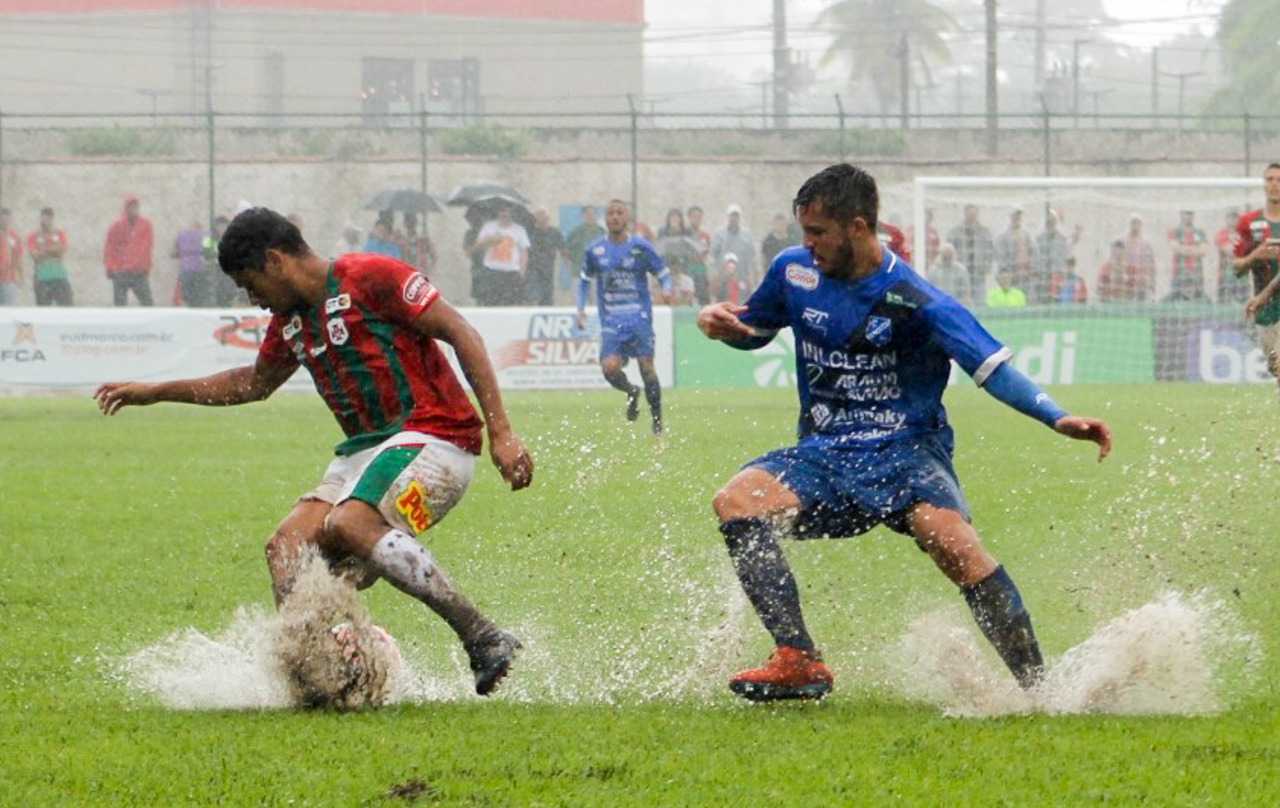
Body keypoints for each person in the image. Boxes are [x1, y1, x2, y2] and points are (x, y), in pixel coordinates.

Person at [696, 163, 1112, 702]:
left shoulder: (919, 300)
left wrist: (1057, 417)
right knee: (735, 501)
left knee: (957, 547)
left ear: (859, 227)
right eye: (805, 233)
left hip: (908, 452)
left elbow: (992, 369)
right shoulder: (793, 270)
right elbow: (753, 327)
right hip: (824, 452)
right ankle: (798, 659)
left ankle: (1041, 689)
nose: (809, 244)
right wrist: (722, 327)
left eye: (819, 233)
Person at [93, 207, 534, 697]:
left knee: (349, 524)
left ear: (275, 261)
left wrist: (503, 432)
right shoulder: (290, 320)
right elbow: (253, 383)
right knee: (286, 547)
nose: (253, 300)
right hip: (364, 454)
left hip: (436, 437)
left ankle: (483, 636)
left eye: (251, 284)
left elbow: (461, 332)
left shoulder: (372, 276)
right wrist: (156, 392)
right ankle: (316, 672)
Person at [577, 198, 673, 435]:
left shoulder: (641, 247)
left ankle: (657, 421)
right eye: (610, 213)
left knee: (646, 366)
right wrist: (580, 308)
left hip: (639, 317)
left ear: (627, 217)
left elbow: (664, 273)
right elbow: (584, 282)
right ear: (605, 218)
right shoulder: (595, 250)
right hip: (611, 319)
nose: (615, 217)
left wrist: (667, 288)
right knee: (609, 368)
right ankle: (631, 391)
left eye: (619, 213)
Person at [1238, 163, 1280, 415]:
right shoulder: (1249, 223)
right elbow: (1237, 268)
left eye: (1279, 179)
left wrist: (1262, 296)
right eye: (1270, 179)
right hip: (1265, 313)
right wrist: (1255, 256)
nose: (1274, 183)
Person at [473, 203, 530, 306]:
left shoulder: (519, 230)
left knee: (511, 303)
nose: (505, 214)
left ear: (512, 214)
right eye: (502, 212)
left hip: (512, 272)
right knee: (491, 302)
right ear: (498, 213)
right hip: (492, 271)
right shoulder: (489, 226)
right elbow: (478, 245)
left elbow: (524, 252)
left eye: (507, 212)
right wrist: (491, 239)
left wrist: (522, 271)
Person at [103, 194, 155, 306]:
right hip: (122, 272)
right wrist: (111, 268)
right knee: (120, 305)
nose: (134, 208)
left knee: (148, 304)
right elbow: (110, 248)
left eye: (135, 205)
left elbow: (146, 248)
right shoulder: (117, 226)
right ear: (126, 208)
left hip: (139, 272)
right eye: (131, 205)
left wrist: (145, 266)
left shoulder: (146, 225)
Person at [947, 204, 995, 305]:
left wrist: (987, 266)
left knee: (980, 300)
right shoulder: (955, 231)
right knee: (960, 299)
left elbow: (990, 250)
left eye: (974, 213)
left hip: (978, 272)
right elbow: (950, 247)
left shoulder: (984, 232)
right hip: (960, 272)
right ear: (965, 213)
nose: (972, 215)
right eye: (970, 213)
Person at [27, 207, 73, 307]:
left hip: (59, 275)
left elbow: (62, 250)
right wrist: (53, 250)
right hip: (42, 276)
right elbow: (35, 255)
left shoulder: (59, 233)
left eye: (49, 218)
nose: (46, 221)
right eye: (44, 218)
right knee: (43, 308)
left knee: (66, 306)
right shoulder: (34, 235)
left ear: (52, 219)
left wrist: (44, 250)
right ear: (41, 219)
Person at [526, 206, 567, 306]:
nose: (541, 218)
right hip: (532, 268)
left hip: (548, 268)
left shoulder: (554, 232)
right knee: (533, 293)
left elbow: (563, 248)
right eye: (538, 216)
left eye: (543, 216)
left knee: (547, 294)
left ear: (548, 218)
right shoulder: (530, 232)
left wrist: (568, 262)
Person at [1165, 209, 1209, 302]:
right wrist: (1194, 249)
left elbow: (1204, 251)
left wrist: (1184, 248)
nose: (1188, 216)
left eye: (1190, 214)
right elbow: (1175, 248)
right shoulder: (1175, 232)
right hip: (1179, 273)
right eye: (1186, 213)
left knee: (1198, 300)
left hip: (1196, 274)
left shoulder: (1199, 232)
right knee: (1176, 299)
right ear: (1181, 215)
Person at [1032, 210, 1073, 305]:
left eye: (1053, 220)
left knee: (1057, 301)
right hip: (1043, 278)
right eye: (1049, 221)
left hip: (1057, 277)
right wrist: (1037, 274)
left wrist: (1063, 274)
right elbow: (1036, 259)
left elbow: (1065, 257)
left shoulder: (1062, 239)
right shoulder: (1039, 239)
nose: (1051, 223)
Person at [994, 206, 1036, 296]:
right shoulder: (1003, 236)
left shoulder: (1026, 234)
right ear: (1010, 216)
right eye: (1015, 215)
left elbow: (1034, 252)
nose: (1018, 218)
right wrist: (1007, 275)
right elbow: (1001, 257)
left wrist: (1032, 269)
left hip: (1026, 277)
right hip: (1011, 279)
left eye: (1019, 215)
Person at [711, 204, 756, 287]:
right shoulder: (720, 234)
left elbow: (751, 256)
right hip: (723, 277)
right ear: (728, 217)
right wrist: (716, 273)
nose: (734, 219)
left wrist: (752, 275)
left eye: (736, 216)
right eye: (732, 216)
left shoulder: (746, 235)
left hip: (741, 276)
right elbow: (713, 255)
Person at [173, 218, 213, 307]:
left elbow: (174, 251)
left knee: (188, 294)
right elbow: (209, 250)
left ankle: (190, 306)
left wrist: (185, 253)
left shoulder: (182, 234)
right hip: (200, 268)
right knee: (199, 295)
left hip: (185, 268)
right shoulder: (206, 234)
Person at [1117, 213, 1156, 302]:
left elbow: (1152, 264)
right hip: (1127, 282)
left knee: (1141, 306)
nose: (1135, 225)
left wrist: (1152, 282)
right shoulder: (1121, 241)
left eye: (1137, 223)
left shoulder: (1146, 244)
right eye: (1133, 222)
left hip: (1142, 282)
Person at [1216, 209, 1249, 303]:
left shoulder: (1243, 233)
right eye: (1230, 217)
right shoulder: (1222, 233)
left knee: (1243, 297)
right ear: (1227, 219)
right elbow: (1225, 249)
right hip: (1226, 272)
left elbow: (1247, 248)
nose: (1233, 220)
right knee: (1227, 298)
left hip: (1242, 272)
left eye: (1235, 217)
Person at [686, 205, 713, 305]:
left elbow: (706, 253)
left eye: (698, 217)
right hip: (688, 271)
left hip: (701, 272)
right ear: (689, 217)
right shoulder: (685, 234)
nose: (696, 219)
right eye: (693, 216)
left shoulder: (704, 236)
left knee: (704, 300)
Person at [401, 212, 437, 276]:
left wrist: (430, 269)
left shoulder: (423, 239)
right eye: (408, 223)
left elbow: (433, 255)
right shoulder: (402, 239)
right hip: (407, 270)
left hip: (420, 269)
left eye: (412, 223)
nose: (410, 226)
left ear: (416, 223)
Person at [0, 208, 24, 305]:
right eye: (2, 218)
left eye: (7, 219)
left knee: (7, 309)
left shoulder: (14, 237)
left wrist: (21, 277)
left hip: (9, 279)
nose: (4, 221)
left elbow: (18, 258)